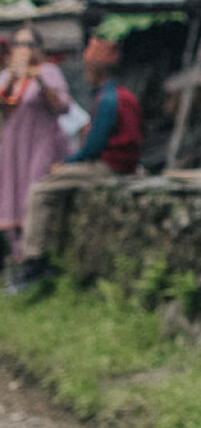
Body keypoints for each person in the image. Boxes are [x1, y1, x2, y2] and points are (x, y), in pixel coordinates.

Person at [16, 32, 144, 287]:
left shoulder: (109, 100)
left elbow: (94, 147)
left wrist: (67, 164)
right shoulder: (118, 95)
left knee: (41, 190)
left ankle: (34, 259)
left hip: (109, 167)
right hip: (119, 164)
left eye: (88, 67)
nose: (85, 72)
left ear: (97, 69)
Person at [1, 24, 73, 292]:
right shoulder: (8, 77)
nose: (23, 50)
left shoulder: (49, 73)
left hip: (41, 145)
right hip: (13, 148)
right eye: (18, 45)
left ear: (39, 49)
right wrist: (13, 78)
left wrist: (38, 79)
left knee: (34, 193)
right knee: (11, 196)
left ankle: (36, 259)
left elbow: (62, 106)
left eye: (29, 45)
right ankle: (17, 259)